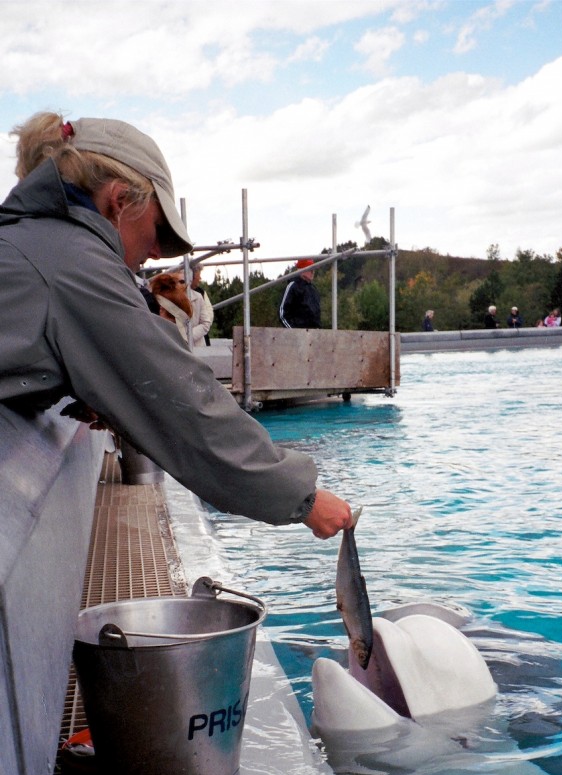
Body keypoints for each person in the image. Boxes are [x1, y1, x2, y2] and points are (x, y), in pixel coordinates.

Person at [0, 112, 351, 539]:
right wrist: (303, 498)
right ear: (118, 200)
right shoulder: (73, 261)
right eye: (158, 228)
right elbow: (179, 397)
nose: (153, 252)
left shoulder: (33, 244)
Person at [279, 258, 321, 328]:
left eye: (313, 270)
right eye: (310, 270)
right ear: (302, 270)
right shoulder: (293, 286)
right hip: (298, 334)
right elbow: (282, 313)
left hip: (313, 335)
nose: (313, 272)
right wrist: (293, 332)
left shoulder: (313, 289)